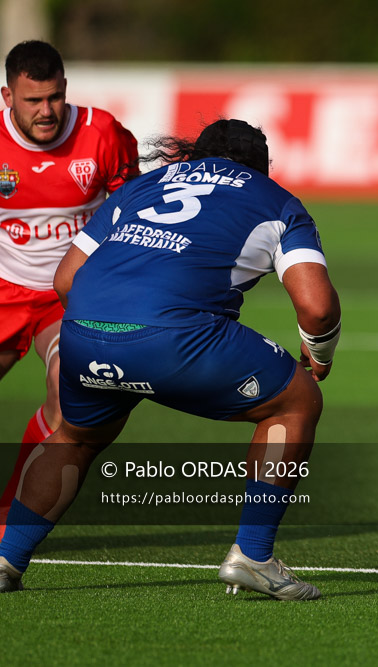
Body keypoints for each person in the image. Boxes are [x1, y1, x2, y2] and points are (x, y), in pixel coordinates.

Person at [0, 119, 341, 600]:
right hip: (175, 340)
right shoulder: (276, 199)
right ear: (263, 168)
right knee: (297, 402)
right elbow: (317, 307)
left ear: (195, 156)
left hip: (84, 333)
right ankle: (254, 556)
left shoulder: (143, 186)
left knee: (74, 438)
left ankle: (6, 560)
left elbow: (65, 280)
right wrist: (320, 352)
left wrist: (112, 326)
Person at [0, 40, 138, 541]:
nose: (46, 111)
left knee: (65, 397)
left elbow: (133, 212)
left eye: (55, 97)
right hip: (5, 292)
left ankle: (7, 518)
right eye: (33, 100)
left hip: (69, 299)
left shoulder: (102, 134)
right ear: (7, 96)